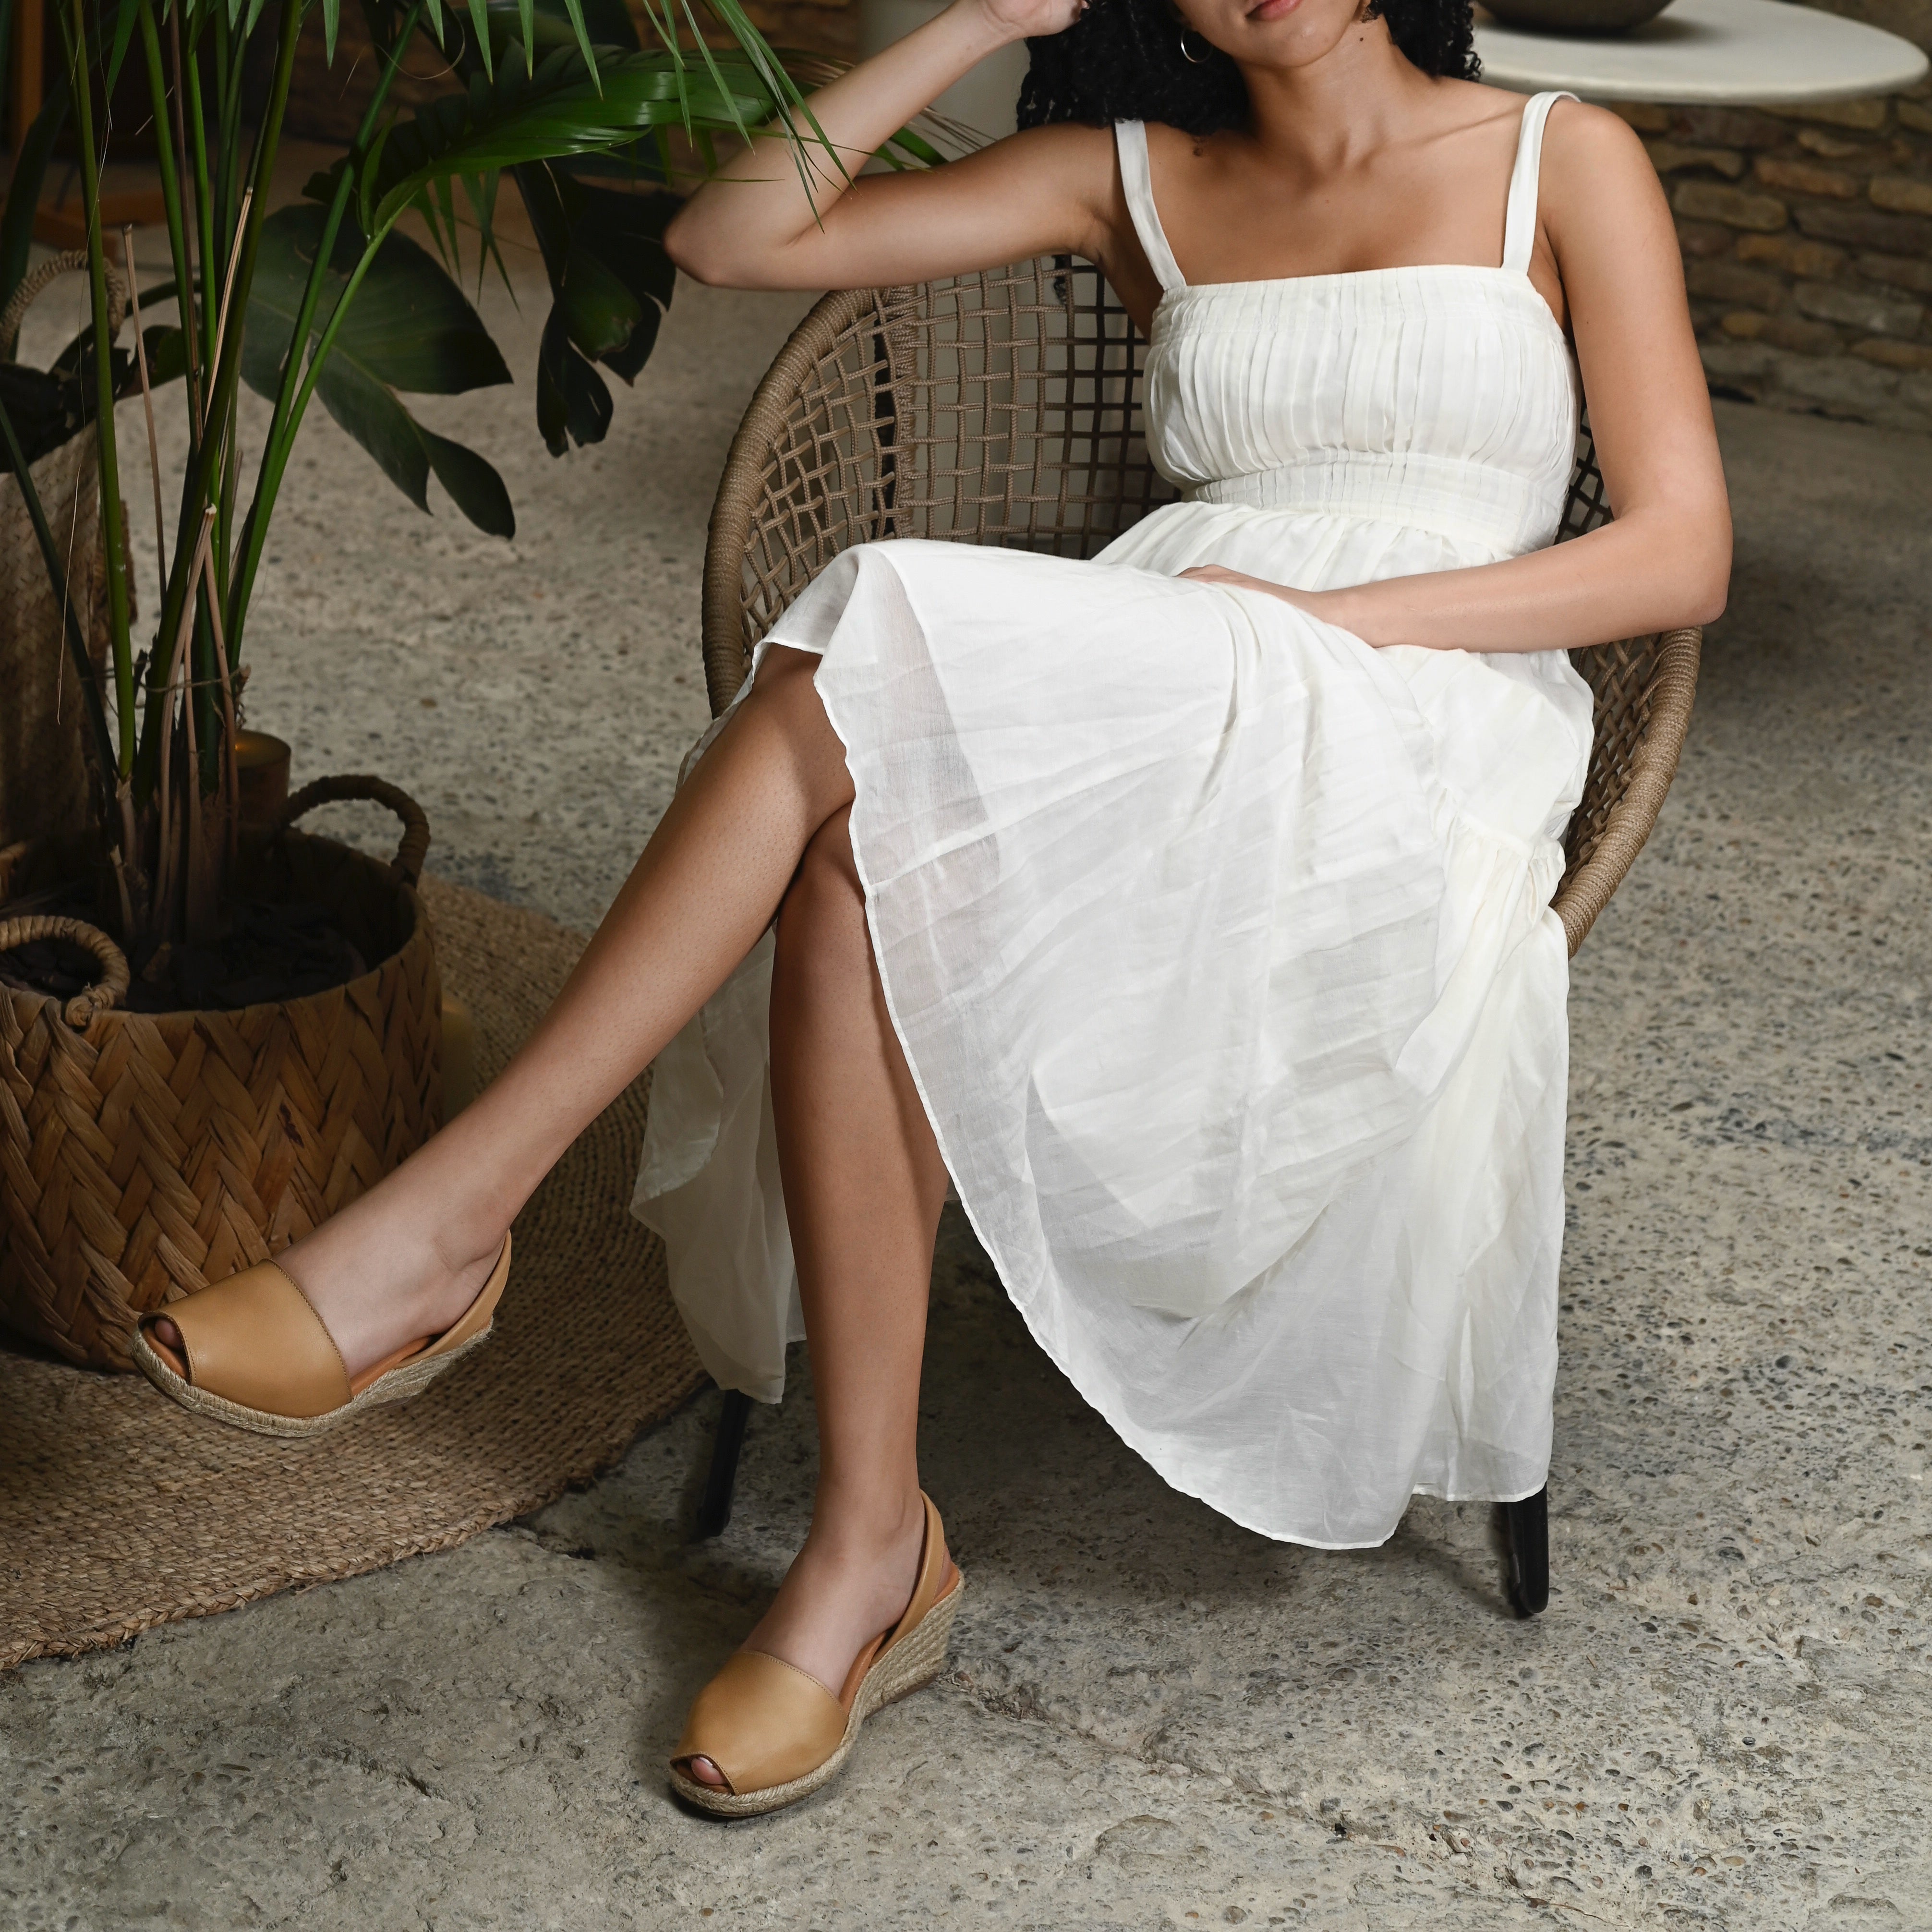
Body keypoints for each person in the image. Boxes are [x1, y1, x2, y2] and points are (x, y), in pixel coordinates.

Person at [132, 0, 1731, 1819]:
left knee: (871, 626)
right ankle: (865, 1545)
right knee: (855, 864)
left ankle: (453, 1232)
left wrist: (1330, 630)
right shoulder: (1123, 177)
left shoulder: (1558, 156)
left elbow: (1679, 546)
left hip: (1409, 716)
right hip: (1148, 697)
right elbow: (732, 238)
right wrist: (982, 16)